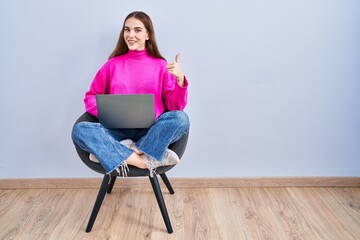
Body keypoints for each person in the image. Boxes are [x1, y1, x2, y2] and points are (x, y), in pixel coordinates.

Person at [71, 11, 189, 177]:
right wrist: (110, 111)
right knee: (80, 130)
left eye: (137, 30)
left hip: (152, 132)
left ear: (148, 34)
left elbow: (175, 107)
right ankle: (141, 160)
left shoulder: (161, 66)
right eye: (127, 30)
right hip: (116, 132)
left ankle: (120, 151)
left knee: (181, 119)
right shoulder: (111, 65)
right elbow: (90, 98)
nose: (131, 35)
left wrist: (180, 80)